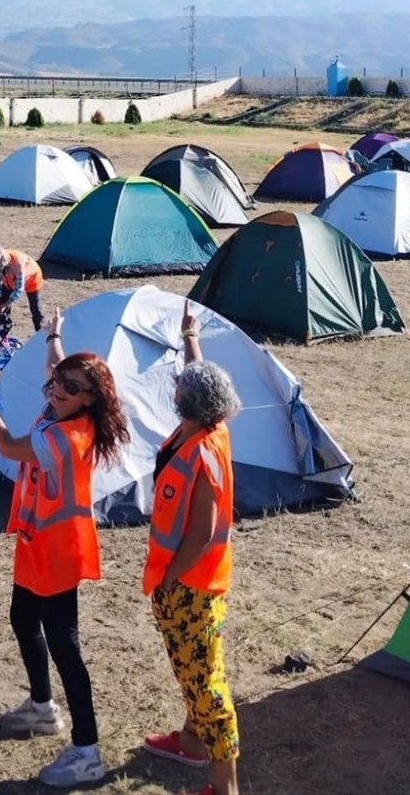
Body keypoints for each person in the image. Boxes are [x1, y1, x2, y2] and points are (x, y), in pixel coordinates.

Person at [0, 308, 129, 789]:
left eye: (70, 387)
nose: (58, 388)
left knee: (65, 645)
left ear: (90, 400)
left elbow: (7, 446)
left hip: (59, 551)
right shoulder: (64, 405)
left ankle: (87, 751)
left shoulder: (67, 437)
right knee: (22, 618)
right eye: (58, 383)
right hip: (36, 542)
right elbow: (56, 365)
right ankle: (41, 707)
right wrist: (54, 335)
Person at [141, 301, 241, 795]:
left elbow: (200, 535)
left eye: (180, 387)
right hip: (201, 578)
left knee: (207, 685)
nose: (175, 387)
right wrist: (189, 338)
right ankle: (191, 741)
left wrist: (167, 579)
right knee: (193, 667)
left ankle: (225, 787)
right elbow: (199, 377)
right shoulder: (212, 423)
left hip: (190, 584)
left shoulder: (201, 451)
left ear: (188, 404)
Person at [0, 245, 45, 331]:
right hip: (10, 281)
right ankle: (1, 330)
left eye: (0, 268)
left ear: (6, 263)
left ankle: (41, 333)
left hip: (33, 278)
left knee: (35, 309)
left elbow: (18, 290)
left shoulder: (17, 265)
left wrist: (4, 306)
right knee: (2, 303)